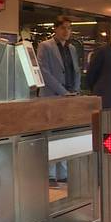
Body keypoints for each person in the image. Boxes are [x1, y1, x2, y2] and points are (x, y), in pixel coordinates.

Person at [37, 15, 80, 185]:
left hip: (69, 98)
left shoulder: (72, 49)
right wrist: (63, 91)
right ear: (55, 28)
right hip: (52, 97)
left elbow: (76, 70)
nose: (67, 31)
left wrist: (75, 91)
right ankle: (49, 173)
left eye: (69, 28)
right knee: (50, 136)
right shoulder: (45, 46)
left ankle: (63, 172)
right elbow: (44, 71)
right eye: (63, 28)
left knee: (64, 135)